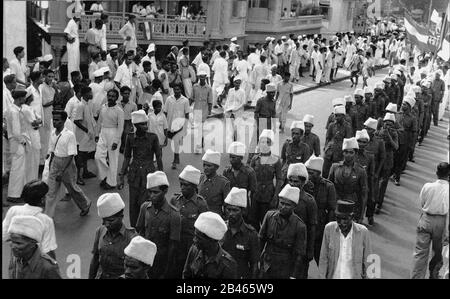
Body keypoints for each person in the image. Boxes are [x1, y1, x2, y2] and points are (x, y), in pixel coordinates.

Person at [118, 110, 162, 227]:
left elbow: (158, 156)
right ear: (136, 125)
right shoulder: (130, 138)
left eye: (146, 123)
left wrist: (161, 176)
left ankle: (146, 227)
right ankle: (134, 229)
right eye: (142, 124)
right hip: (134, 174)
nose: (145, 126)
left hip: (149, 173)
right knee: (133, 204)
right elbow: (127, 157)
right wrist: (121, 175)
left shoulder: (153, 137)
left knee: (147, 202)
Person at [44, 110, 91, 218]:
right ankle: (48, 216)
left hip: (67, 164)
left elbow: (71, 155)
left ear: (64, 121)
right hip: (55, 162)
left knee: (72, 188)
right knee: (50, 191)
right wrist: (51, 165)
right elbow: (52, 151)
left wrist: (61, 171)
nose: (55, 122)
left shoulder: (69, 135)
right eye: (53, 120)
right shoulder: (52, 134)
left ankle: (85, 204)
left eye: (57, 120)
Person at [136, 171, 181, 278]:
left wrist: (166, 271)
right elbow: (140, 232)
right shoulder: (145, 208)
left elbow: (173, 246)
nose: (152, 196)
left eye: (156, 192)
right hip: (145, 259)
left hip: (162, 262)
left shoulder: (173, 215)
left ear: (165, 191)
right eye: (150, 192)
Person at [259, 184, 307, 279]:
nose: (283, 207)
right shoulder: (269, 216)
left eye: (287, 205)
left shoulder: (299, 226)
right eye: (281, 203)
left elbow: (299, 255)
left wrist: (293, 276)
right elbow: (260, 240)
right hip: (267, 265)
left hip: (285, 268)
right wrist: (256, 261)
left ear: (294, 206)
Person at [169, 165, 209, 278]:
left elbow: (204, 229)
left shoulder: (201, 204)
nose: (182, 188)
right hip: (176, 245)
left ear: (194, 186)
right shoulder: (174, 200)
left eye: (186, 185)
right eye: (181, 184)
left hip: (192, 247)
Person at [411, 162, 449, 279]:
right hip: (441, 222)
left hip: (426, 218)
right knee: (437, 253)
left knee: (420, 252)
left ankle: (417, 277)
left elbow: (422, 202)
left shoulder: (427, 186)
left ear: (436, 173)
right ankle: (433, 275)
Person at [318, 200, 372, 279]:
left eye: (344, 219)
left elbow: (369, 261)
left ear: (352, 217)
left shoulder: (363, 232)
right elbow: (323, 258)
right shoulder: (329, 229)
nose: (340, 222)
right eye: (338, 218)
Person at [3, 180, 57, 257]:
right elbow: (48, 249)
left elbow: (4, 235)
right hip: (36, 261)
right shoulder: (46, 221)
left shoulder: (13, 210)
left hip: (16, 259)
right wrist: (54, 264)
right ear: (42, 200)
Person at [89, 193, 137, 279]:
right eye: (104, 220)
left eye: (110, 220)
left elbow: (136, 271)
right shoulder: (100, 231)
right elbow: (95, 259)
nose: (106, 224)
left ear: (121, 217)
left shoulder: (132, 239)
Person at [183, 211, 238, 278]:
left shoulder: (228, 264)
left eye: (198, 238)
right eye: (195, 236)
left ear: (211, 240)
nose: (194, 240)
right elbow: (186, 275)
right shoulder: (194, 250)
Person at [286, 163, 318, 278]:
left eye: (296, 181)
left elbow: (312, 227)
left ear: (303, 182)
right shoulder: (284, 197)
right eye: (291, 181)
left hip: (301, 246)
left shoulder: (309, 201)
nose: (293, 184)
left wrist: (310, 250)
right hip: (286, 244)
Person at [221, 187, 260, 279]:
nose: (231, 213)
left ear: (243, 211)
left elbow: (255, 264)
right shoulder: (220, 229)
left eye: (235, 210)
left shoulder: (251, 234)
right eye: (228, 209)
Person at [305, 155, 336, 265]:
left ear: (319, 173)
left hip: (320, 228)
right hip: (305, 226)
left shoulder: (328, 186)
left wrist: (329, 231)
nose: (308, 175)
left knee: (322, 260)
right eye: (307, 172)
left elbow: (332, 210)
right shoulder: (303, 185)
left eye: (311, 173)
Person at [328, 138, 368, 223]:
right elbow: (329, 188)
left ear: (356, 154)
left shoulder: (360, 171)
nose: (348, 155)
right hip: (336, 204)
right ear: (343, 153)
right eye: (346, 152)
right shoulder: (335, 167)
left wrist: (361, 216)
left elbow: (363, 194)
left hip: (351, 205)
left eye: (351, 152)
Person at [249, 130, 283, 230]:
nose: (264, 145)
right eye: (262, 142)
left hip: (268, 195)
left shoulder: (276, 160)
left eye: (267, 142)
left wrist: (276, 196)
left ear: (270, 144)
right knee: (254, 220)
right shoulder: (255, 159)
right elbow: (249, 176)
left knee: (266, 221)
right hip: (255, 194)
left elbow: (279, 179)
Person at [95, 89, 124, 190]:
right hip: (103, 132)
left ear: (116, 98)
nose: (110, 98)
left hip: (114, 133)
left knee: (113, 159)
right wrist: (96, 134)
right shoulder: (103, 107)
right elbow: (99, 121)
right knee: (98, 156)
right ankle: (105, 176)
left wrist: (116, 141)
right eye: (109, 96)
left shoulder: (119, 110)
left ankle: (111, 182)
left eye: (113, 96)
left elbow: (121, 127)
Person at [223, 142, 257, 221]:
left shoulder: (249, 172)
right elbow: (224, 190)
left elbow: (253, 193)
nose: (231, 159)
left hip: (243, 207)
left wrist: (251, 210)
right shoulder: (226, 171)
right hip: (230, 206)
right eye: (230, 157)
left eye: (234, 157)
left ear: (241, 158)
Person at [6, 90, 29, 203]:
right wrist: (23, 141)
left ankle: (18, 193)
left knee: (19, 169)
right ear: (19, 98)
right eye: (24, 98)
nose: (25, 100)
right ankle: (14, 195)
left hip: (16, 142)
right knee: (17, 169)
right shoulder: (14, 111)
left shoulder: (12, 109)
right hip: (17, 142)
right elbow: (16, 131)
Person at [73, 86, 97, 185]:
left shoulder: (88, 104)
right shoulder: (80, 105)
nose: (92, 94)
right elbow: (76, 121)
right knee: (80, 157)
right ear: (85, 94)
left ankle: (85, 172)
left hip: (87, 134)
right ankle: (79, 177)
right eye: (90, 93)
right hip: (82, 136)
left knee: (85, 154)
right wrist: (86, 130)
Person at [376, 113, 398, 214]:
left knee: (383, 183)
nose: (387, 126)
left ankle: (379, 204)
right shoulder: (378, 131)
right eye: (386, 123)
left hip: (387, 161)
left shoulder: (394, 134)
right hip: (377, 160)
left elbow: (396, 147)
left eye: (390, 124)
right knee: (375, 182)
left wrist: (389, 136)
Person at [322, 105, 353, 178]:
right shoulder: (332, 125)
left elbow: (348, 141)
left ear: (343, 116)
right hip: (329, 152)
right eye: (336, 115)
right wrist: (326, 148)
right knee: (325, 171)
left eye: (339, 116)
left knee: (336, 173)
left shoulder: (347, 126)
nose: (337, 117)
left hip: (339, 153)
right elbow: (328, 138)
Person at [164, 84, 190, 169]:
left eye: (178, 89)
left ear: (181, 90)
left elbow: (186, 114)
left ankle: (175, 160)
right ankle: (177, 157)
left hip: (179, 125)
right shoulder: (169, 99)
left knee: (175, 143)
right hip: (170, 124)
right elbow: (165, 112)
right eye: (175, 89)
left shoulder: (185, 100)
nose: (176, 91)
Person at [393, 97, 417, 186]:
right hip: (394, 139)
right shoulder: (397, 114)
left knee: (400, 160)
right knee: (393, 158)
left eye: (405, 104)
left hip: (404, 142)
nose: (403, 105)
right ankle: (392, 173)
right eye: (403, 103)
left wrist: (411, 145)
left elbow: (414, 133)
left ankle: (397, 177)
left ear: (409, 107)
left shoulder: (412, 118)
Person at [198, 149, 231, 216]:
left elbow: (227, 206)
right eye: (204, 165)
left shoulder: (223, 183)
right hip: (199, 217)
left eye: (209, 166)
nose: (205, 168)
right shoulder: (199, 178)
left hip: (215, 218)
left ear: (216, 167)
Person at [191, 71, 213, 153]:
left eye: (204, 77)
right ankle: (198, 146)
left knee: (202, 129)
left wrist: (209, 112)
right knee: (198, 129)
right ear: (199, 77)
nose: (202, 79)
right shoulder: (195, 87)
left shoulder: (209, 88)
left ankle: (202, 140)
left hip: (205, 110)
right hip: (196, 109)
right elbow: (191, 97)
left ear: (206, 78)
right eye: (201, 77)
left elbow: (210, 101)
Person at [118, 86, 137, 153]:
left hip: (128, 122)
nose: (127, 95)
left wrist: (133, 126)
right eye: (125, 93)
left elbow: (135, 116)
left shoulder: (133, 105)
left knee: (126, 136)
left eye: (128, 93)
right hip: (119, 122)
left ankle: (125, 149)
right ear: (121, 94)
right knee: (118, 135)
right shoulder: (117, 104)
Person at [64, 14, 81, 80]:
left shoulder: (74, 23)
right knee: (72, 61)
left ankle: (76, 76)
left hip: (75, 44)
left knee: (76, 60)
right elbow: (66, 33)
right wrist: (70, 39)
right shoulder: (71, 22)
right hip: (72, 44)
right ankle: (71, 77)